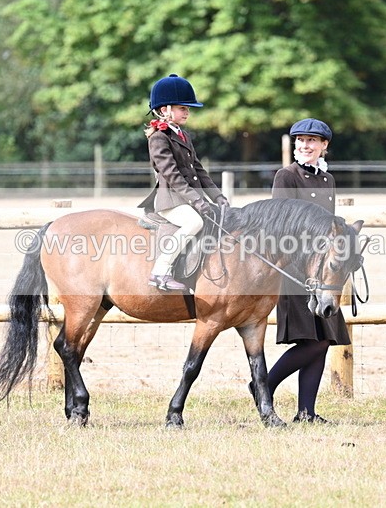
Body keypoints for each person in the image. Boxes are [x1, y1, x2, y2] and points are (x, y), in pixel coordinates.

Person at [253, 117, 350, 423]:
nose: (305, 146)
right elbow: (280, 225)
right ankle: (262, 385)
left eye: (312, 141)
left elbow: (330, 227)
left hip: (322, 272)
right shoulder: (286, 176)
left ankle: (306, 412)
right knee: (311, 340)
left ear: (324, 146)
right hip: (295, 271)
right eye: (300, 141)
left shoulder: (327, 180)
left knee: (323, 340)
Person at [138, 74, 229, 291]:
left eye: (188, 108)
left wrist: (217, 196)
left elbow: (199, 170)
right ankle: (161, 270)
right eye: (182, 108)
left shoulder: (184, 136)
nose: (187, 111)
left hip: (187, 199)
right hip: (170, 202)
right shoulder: (159, 137)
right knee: (194, 223)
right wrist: (198, 201)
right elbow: (172, 175)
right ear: (165, 109)